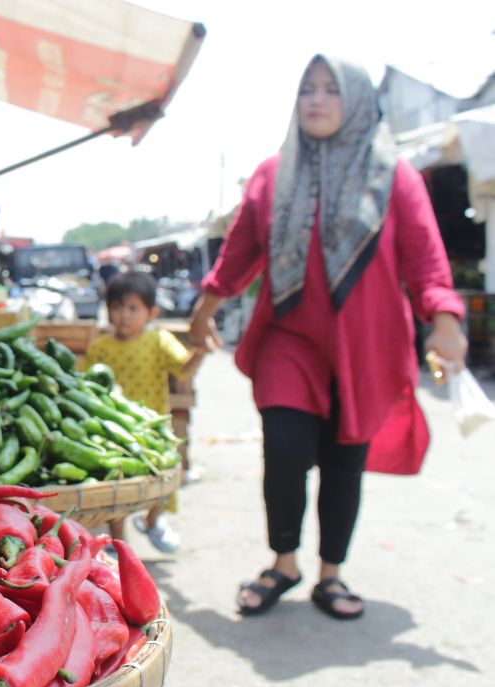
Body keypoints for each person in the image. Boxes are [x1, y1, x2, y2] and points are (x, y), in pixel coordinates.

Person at [188, 55, 468, 620]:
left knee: (345, 461)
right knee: (285, 450)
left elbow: (425, 256)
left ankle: (330, 575)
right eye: (306, 90)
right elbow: (239, 251)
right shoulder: (273, 172)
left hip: (364, 346)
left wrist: (444, 318)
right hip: (288, 340)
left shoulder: (394, 174)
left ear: (358, 101)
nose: (315, 100)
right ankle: (283, 562)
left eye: (330, 90)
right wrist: (204, 310)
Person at [87, 271, 209, 553]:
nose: (124, 315)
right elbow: (86, 386)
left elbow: (182, 367)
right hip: (114, 429)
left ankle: (154, 520)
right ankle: (118, 542)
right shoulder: (100, 348)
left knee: (165, 476)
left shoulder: (159, 340)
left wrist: (200, 353)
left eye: (132, 308)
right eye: (117, 307)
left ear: (151, 312)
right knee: (116, 482)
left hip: (154, 426)